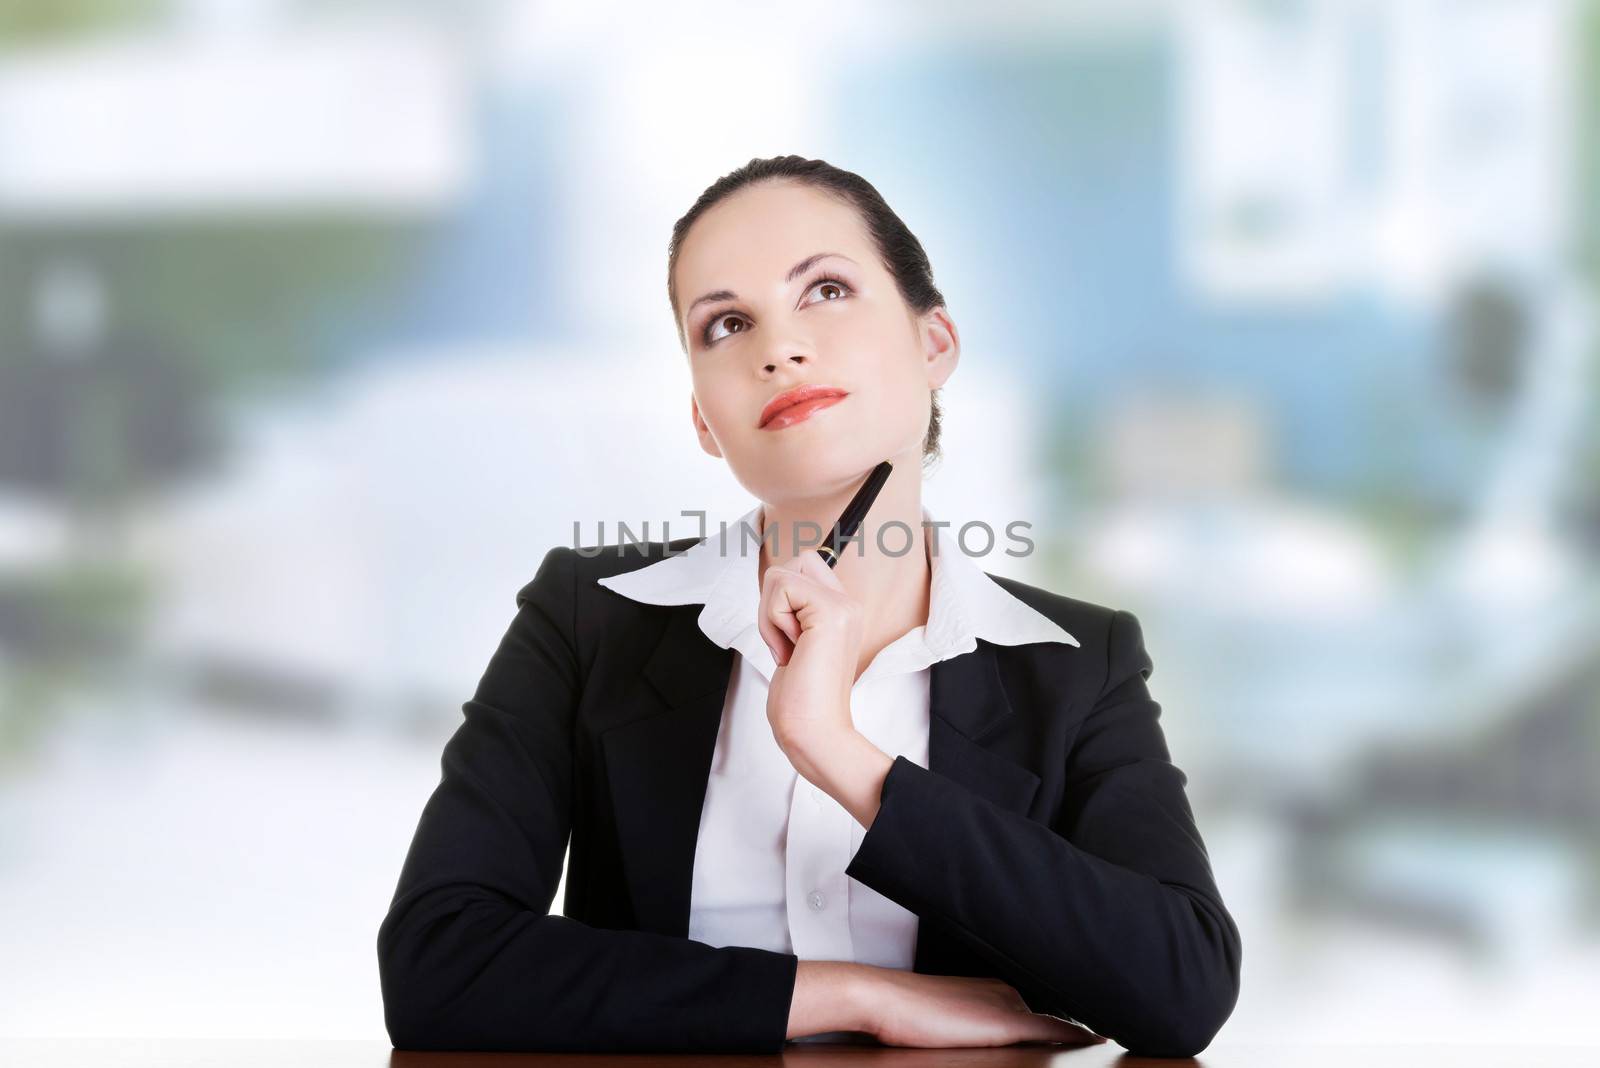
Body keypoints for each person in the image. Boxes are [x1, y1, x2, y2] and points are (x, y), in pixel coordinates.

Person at [377, 155, 1242, 1057]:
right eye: (726, 324)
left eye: (826, 289)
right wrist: (851, 997)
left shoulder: (1076, 660)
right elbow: (439, 962)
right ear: (706, 421)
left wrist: (841, 755)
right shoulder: (587, 617)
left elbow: (1181, 990)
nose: (777, 349)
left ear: (935, 342)